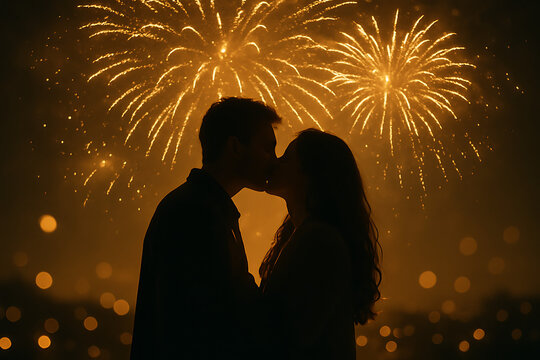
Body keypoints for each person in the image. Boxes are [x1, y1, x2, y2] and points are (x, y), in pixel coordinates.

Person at [130, 97, 281, 360]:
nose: (274, 161)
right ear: (235, 146)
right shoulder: (196, 213)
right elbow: (204, 319)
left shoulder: (199, 206)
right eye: (268, 149)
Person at [259, 128, 382, 359]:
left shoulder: (320, 240)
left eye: (286, 157)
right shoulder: (306, 235)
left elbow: (294, 335)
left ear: (309, 173)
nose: (274, 162)